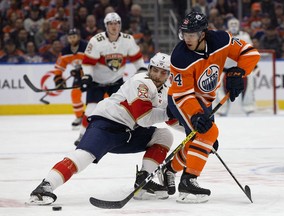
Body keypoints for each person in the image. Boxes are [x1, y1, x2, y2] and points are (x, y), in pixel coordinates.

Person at [28, 52, 177, 205]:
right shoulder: (141, 82)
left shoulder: (166, 91)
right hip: (107, 124)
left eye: (163, 72)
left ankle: (143, 183)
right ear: (149, 69)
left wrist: (193, 126)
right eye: (155, 70)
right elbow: (144, 118)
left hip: (128, 132)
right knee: (84, 156)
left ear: (168, 75)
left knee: (164, 136)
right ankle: (45, 187)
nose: (157, 75)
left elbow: (171, 119)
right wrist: (168, 113)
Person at [166, 11, 260, 203]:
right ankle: (188, 183)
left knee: (207, 142)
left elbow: (250, 53)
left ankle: (169, 170)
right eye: (184, 34)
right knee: (207, 133)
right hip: (181, 98)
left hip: (205, 100)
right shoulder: (179, 56)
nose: (187, 38)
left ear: (203, 33)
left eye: (191, 34)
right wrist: (194, 115)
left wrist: (240, 72)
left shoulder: (222, 39)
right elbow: (182, 94)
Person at [74, 12, 147, 145]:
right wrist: (87, 76)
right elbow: (88, 63)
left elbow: (137, 59)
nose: (114, 26)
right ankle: (82, 135)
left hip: (116, 82)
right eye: (111, 24)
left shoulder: (128, 40)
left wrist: (141, 70)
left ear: (120, 25)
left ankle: (129, 132)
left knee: (125, 108)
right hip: (97, 82)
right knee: (91, 110)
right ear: (106, 26)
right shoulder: (96, 41)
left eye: (116, 23)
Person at [216, 17, 260, 116]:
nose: (234, 26)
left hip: (241, 70)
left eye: (235, 24)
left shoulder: (245, 36)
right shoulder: (223, 36)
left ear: (239, 24)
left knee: (249, 84)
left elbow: (250, 52)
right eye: (231, 24)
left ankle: (249, 108)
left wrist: (255, 66)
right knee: (219, 88)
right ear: (227, 25)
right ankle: (221, 110)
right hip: (224, 70)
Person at [53, 28, 87, 129]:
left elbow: (94, 61)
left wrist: (81, 69)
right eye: (70, 37)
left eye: (74, 37)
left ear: (79, 37)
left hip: (93, 74)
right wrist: (58, 77)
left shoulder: (87, 46)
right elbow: (59, 66)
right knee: (75, 94)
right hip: (79, 75)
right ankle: (80, 116)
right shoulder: (65, 51)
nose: (72, 39)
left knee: (102, 94)